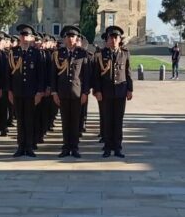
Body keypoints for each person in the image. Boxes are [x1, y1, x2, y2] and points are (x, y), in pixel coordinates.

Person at [50, 25, 90, 158]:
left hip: (77, 93)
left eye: (73, 37)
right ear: (65, 39)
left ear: (77, 38)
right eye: (68, 37)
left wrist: (85, 93)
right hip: (62, 93)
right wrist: (54, 92)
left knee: (75, 122)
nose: (71, 39)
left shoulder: (82, 54)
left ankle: (75, 147)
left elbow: (86, 75)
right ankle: (66, 147)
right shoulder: (58, 54)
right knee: (65, 121)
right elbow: (53, 75)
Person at [93, 25, 133, 158]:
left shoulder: (125, 53)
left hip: (120, 92)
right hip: (106, 93)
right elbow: (97, 75)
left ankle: (117, 147)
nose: (113, 40)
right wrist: (97, 90)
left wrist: (130, 89)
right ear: (108, 39)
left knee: (118, 121)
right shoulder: (101, 54)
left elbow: (128, 72)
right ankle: (107, 147)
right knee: (107, 120)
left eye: (116, 37)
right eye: (111, 37)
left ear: (120, 39)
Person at [7, 24, 44, 157]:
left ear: (31, 37)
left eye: (27, 35)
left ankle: (29, 146)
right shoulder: (13, 52)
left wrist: (40, 92)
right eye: (22, 35)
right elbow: (9, 74)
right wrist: (9, 91)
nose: (24, 37)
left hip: (31, 92)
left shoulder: (36, 53)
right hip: (17, 92)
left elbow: (41, 74)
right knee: (20, 120)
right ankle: (20, 146)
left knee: (29, 120)